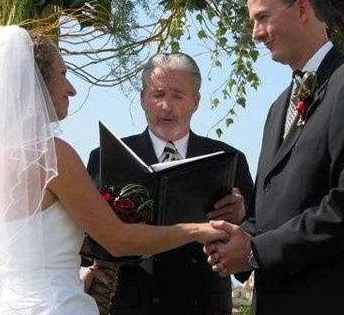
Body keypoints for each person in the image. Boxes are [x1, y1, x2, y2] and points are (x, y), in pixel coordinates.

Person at [0, 26, 227, 315]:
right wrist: (198, 230)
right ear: (35, 83)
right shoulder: (51, 156)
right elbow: (119, 239)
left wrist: (73, 274)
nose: (71, 88)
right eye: (62, 73)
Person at [204, 0, 344, 314]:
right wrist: (232, 237)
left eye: (263, 18)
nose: (255, 34)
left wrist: (255, 251)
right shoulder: (278, 108)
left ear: (302, 9)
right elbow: (269, 214)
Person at [83, 53, 254, 315]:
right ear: (142, 99)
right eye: (158, 94)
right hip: (133, 305)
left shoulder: (228, 160)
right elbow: (85, 236)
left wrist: (240, 219)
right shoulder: (107, 157)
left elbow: (255, 243)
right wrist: (87, 270)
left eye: (177, 95)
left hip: (204, 304)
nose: (166, 105)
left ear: (195, 101)